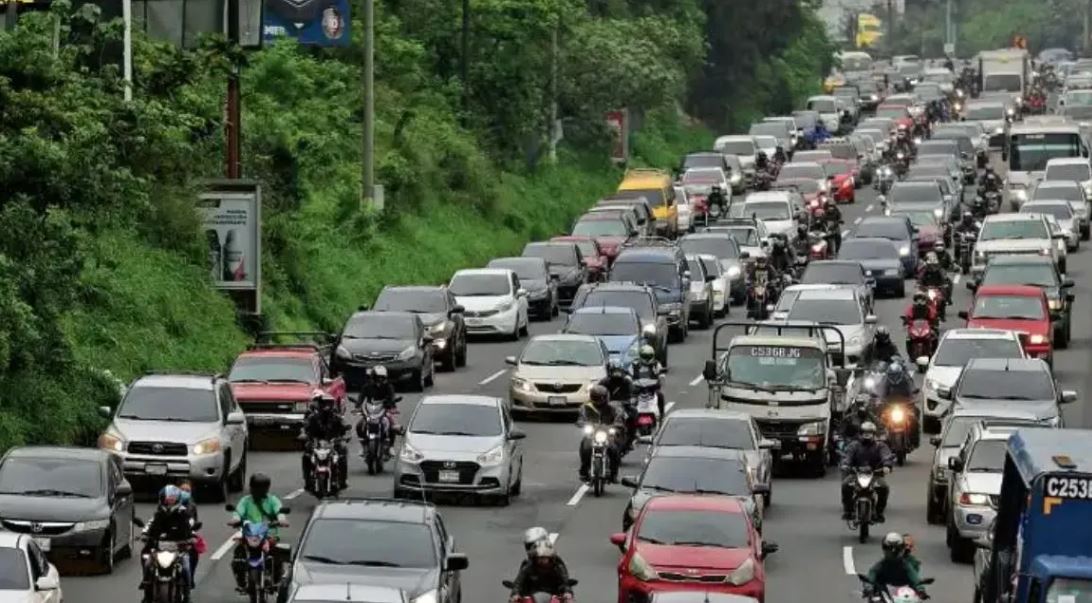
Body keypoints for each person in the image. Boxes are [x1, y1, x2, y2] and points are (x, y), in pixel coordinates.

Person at [229, 474, 287, 593]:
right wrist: (235, 519)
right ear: (251, 488)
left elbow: (279, 511)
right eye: (256, 488)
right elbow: (238, 512)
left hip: (269, 534)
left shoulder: (272, 500)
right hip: (250, 535)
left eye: (261, 488)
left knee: (277, 554)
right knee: (238, 554)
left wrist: (281, 519)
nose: (258, 491)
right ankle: (242, 582)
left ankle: (276, 579)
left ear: (267, 488)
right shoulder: (245, 501)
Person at [141, 485, 194, 602]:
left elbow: (188, 529)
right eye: (167, 500)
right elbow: (151, 529)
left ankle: (187, 594)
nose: (169, 503)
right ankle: (147, 591)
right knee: (147, 563)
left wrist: (190, 538)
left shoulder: (183, 515)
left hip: (178, 550)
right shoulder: (158, 515)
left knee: (185, 567)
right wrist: (145, 536)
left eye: (172, 500)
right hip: (159, 549)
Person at [840, 421, 894, 521]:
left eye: (869, 433)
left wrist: (887, 466)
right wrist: (845, 465)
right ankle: (848, 511)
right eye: (865, 433)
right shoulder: (854, 445)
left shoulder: (880, 446)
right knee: (846, 485)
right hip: (856, 474)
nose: (867, 435)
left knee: (884, 488)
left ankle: (879, 512)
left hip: (875, 475)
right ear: (860, 434)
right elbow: (847, 456)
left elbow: (886, 456)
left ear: (874, 434)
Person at [300, 392, 350, 492]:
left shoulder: (337, 418)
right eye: (324, 403)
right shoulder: (312, 418)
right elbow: (306, 429)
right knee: (306, 455)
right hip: (316, 443)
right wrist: (305, 436)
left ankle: (342, 480)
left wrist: (345, 436)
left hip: (333, 443)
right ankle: (307, 480)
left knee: (343, 452)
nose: (326, 407)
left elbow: (345, 429)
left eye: (329, 404)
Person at [577, 385, 623, 483]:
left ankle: (614, 473)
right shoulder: (585, 407)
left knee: (614, 450)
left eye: (601, 397)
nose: (598, 400)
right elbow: (581, 419)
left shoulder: (613, 408)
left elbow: (619, 418)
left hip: (607, 434)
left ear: (606, 397)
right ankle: (584, 471)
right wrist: (582, 423)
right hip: (592, 434)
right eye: (596, 397)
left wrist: (617, 425)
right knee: (586, 448)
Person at [508, 538, 574, 602]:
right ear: (534, 558)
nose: (542, 560)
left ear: (551, 558)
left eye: (545, 558)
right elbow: (519, 582)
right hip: (530, 595)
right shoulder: (528, 566)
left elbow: (565, 581)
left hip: (554, 594)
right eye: (539, 558)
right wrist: (515, 594)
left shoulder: (558, 566)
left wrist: (568, 593)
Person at [361, 365, 399, 450]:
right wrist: (358, 406)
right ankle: (364, 446)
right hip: (371, 410)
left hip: (384, 409)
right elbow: (361, 397)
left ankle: (391, 446)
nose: (380, 380)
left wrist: (392, 406)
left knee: (393, 425)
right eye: (377, 378)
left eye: (382, 378)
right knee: (360, 425)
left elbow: (392, 397)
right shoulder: (367, 386)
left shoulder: (389, 386)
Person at [178, 481, 202, 588]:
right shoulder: (168, 504)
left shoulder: (191, 506)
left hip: (185, 534)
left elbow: (193, 521)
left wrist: (192, 533)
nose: (184, 492)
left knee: (194, 552)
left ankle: (190, 577)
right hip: (169, 536)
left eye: (187, 491)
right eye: (182, 490)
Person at [631, 345, 666, 418]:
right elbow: (628, 373)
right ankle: (630, 418)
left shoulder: (656, 364)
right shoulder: (634, 365)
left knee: (660, 395)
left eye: (649, 356)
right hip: (638, 388)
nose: (647, 359)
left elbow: (661, 373)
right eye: (645, 356)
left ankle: (662, 414)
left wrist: (661, 377)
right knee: (629, 400)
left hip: (652, 388)